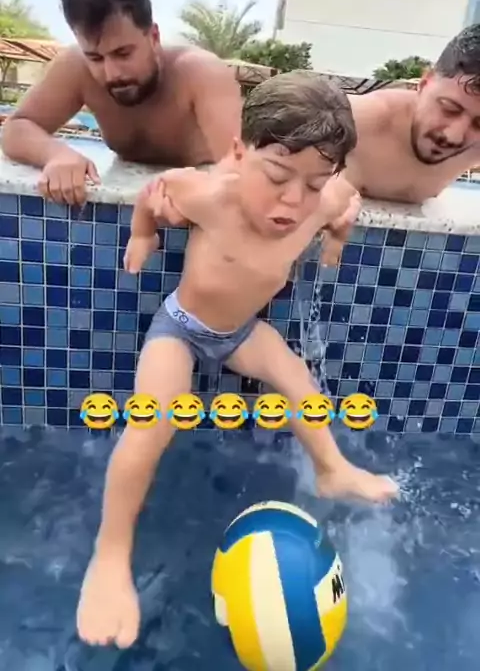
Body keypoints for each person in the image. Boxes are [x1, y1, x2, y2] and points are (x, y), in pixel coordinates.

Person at [76, 71, 398, 650]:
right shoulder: (209, 195)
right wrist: (145, 234)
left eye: (313, 182)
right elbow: (156, 192)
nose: (292, 200)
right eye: (275, 176)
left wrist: (337, 235)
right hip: (181, 328)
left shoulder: (321, 200)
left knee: (297, 378)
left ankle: (331, 469)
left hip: (242, 331)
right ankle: (110, 553)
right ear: (239, 154)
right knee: (151, 422)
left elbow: (344, 196)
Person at [1, 0, 242, 206]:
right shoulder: (76, 67)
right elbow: (16, 128)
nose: (111, 73)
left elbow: (240, 175)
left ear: (154, 37)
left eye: (123, 53)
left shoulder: (201, 74)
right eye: (95, 57)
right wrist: (56, 154)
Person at [318, 24, 480, 264]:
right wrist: (315, 182)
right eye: (449, 109)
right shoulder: (360, 118)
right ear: (424, 83)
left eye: (479, 124)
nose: (454, 136)